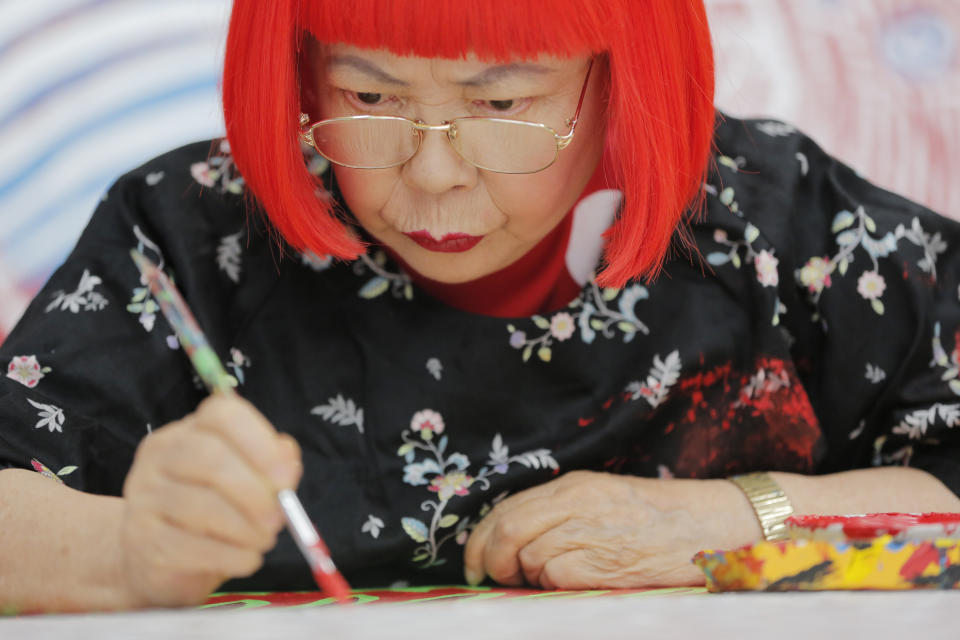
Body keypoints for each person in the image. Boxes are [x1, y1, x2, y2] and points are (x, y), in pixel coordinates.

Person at [1, 0, 958, 613]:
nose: (433, 175)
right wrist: (125, 550)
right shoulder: (192, 234)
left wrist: (738, 519)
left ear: (620, 76)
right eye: (367, 95)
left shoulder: (776, 224)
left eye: (503, 107)